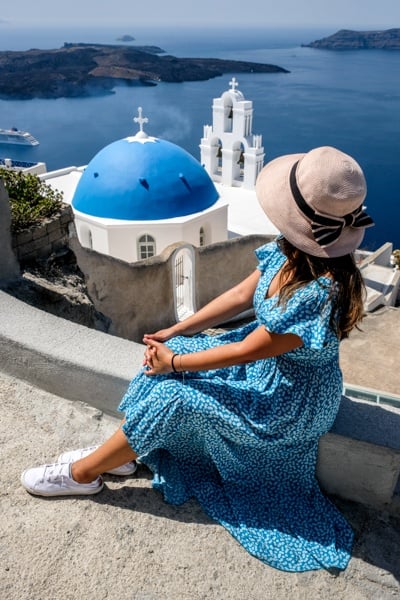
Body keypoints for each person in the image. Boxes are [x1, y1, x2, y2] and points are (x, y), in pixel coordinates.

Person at [21, 146, 374, 573]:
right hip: (266, 369)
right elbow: (241, 295)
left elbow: (246, 350)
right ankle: (127, 454)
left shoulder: (319, 293)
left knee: (175, 395)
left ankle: (82, 475)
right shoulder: (291, 252)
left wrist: (173, 363)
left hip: (288, 400)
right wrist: (177, 331)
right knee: (170, 361)